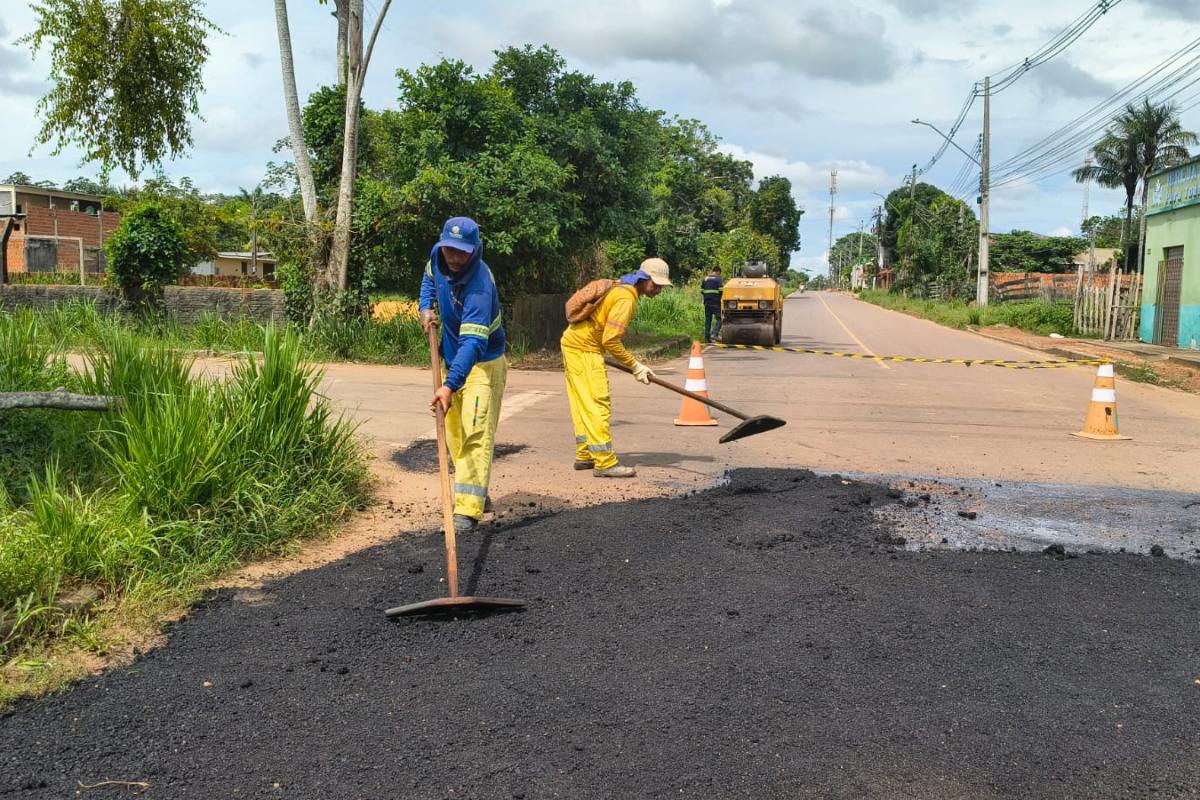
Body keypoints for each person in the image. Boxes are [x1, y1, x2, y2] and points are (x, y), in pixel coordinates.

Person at [419, 217, 507, 532]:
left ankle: (467, 511)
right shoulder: (437, 259)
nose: (454, 258)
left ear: (475, 250)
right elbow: (429, 279)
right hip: (450, 356)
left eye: (462, 252)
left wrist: (449, 386)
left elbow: (473, 343)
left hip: (483, 362)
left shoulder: (480, 286)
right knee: (454, 431)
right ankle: (476, 492)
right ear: (443, 245)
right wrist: (425, 309)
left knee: (475, 430)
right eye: (450, 250)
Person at [560, 257, 672, 478]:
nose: (658, 289)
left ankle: (585, 455)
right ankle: (604, 462)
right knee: (597, 404)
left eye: (661, 286)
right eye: (655, 284)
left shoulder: (621, 286)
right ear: (644, 278)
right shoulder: (626, 298)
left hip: (573, 343)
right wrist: (635, 365)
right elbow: (611, 340)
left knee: (583, 403)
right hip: (585, 349)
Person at [700, 266, 724, 343]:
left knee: (708, 320)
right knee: (720, 319)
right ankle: (714, 333)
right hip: (715, 302)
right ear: (718, 272)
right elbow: (721, 290)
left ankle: (707, 337)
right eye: (719, 273)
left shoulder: (705, 278)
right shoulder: (718, 279)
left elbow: (702, 290)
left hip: (707, 302)